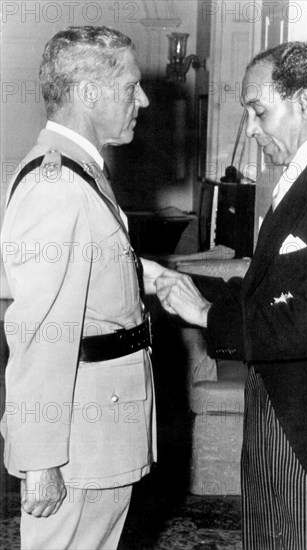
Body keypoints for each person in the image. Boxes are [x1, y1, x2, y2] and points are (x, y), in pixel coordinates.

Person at [155, 41, 307, 549]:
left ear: (302, 103)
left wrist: (206, 314)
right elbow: (271, 289)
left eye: (259, 112)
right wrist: (188, 284)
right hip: (277, 416)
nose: (252, 130)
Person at [1, 26, 166, 550]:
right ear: (89, 93)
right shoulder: (57, 185)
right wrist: (41, 462)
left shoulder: (81, 174)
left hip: (100, 430)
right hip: (77, 444)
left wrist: (147, 276)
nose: (142, 98)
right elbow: (39, 333)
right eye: (130, 86)